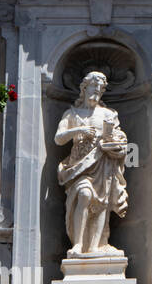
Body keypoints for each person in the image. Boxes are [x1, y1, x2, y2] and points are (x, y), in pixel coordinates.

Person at [55, 71, 129, 256]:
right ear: (84, 87)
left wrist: (116, 143)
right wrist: (78, 129)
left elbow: (119, 138)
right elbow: (58, 139)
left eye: (101, 88)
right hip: (79, 166)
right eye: (94, 87)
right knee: (84, 194)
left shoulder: (108, 114)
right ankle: (78, 245)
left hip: (103, 164)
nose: (97, 91)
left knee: (102, 203)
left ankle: (96, 246)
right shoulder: (72, 113)